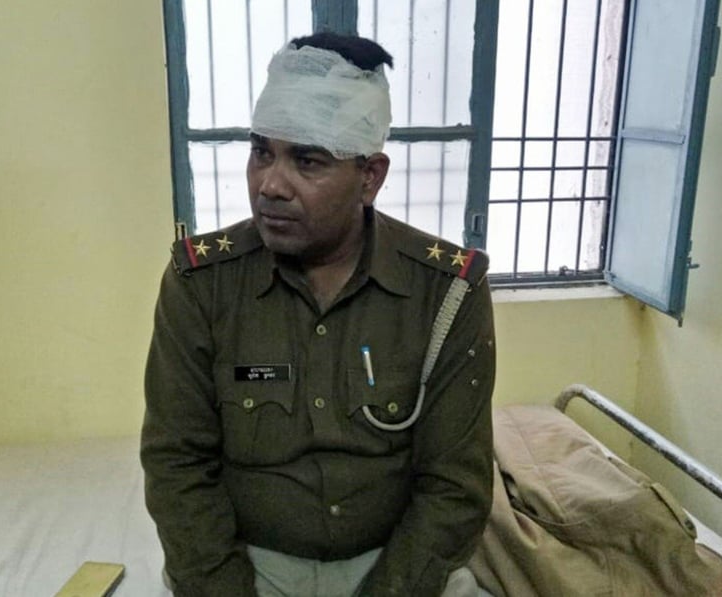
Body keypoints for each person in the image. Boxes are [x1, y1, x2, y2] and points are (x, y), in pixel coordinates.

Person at [141, 32, 496, 597]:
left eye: (307, 161)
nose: (269, 185)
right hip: (247, 565)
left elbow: (455, 488)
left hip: (395, 566)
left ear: (370, 178)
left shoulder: (446, 291)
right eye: (261, 152)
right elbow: (177, 465)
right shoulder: (202, 284)